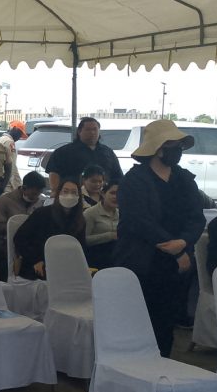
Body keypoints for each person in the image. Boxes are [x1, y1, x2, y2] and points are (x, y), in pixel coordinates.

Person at [115, 119, 204, 357]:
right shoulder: (134, 180)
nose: (178, 151)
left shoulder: (184, 179)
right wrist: (175, 249)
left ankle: (162, 364)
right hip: (143, 261)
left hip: (176, 263)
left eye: (180, 146)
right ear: (158, 148)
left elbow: (196, 218)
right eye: (174, 146)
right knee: (140, 321)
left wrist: (184, 242)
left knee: (166, 323)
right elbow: (138, 221)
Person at [13, 177, 87, 280]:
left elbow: (80, 248)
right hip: (37, 265)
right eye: (65, 191)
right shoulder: (42, 213)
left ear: (79, 196)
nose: (69, 196)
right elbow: (19, 238)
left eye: (74, 192)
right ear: (58, 193)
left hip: (65, 266)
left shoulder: (80, 220)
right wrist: (35, 260)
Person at [0, 171, 46, 281]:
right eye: (33, 194)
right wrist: (17, 228)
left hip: (32, 245)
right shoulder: (5, 200)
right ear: (24, 188)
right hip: (8, 243)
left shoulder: (41, 202)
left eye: (38, 194)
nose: (36, 198)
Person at [44, 117, 123, 194]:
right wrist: (55, 192)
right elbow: (54, 173)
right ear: (79, 131)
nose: (92, 132)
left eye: (95, 129)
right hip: (74, 195)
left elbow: (118, 176)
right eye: (88, 129)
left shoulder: (108, 152)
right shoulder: (64, 151)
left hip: (103, 197)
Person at [84, 177, 119, 269]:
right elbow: (84, 240)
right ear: (103, 193)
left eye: (120, 194)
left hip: (116, 259)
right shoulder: (90, 213)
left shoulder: (121, 214)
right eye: (112, 193)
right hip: (95, 259)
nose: (116, 197)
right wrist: (109, 236)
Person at [1, 120, 26, 191]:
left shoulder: (0, 139)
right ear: (14, 128)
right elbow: (12, 167)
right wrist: (18, 185)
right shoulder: (10, 142)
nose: (19, 137)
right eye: (20, 133)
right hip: (7, 183)